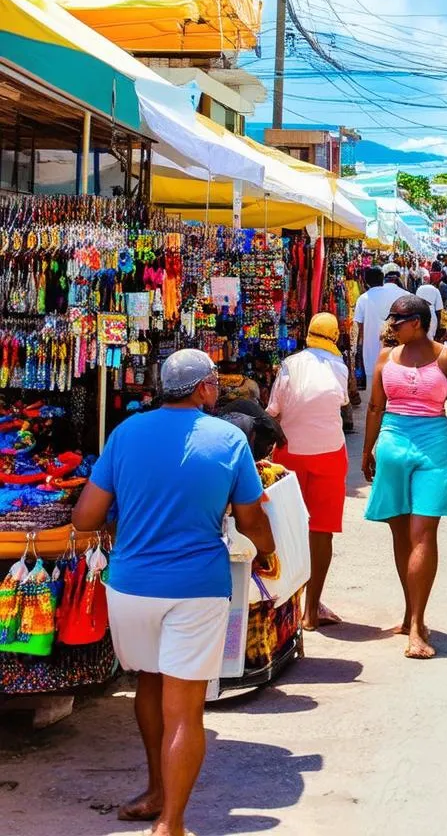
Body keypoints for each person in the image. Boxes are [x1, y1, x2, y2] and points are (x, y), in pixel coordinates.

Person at [72, 349, 274, 836]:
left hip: (132, 588)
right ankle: (171, 822)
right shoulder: (227, 439)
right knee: (184, 707)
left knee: (148, 682)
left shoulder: (126, 434)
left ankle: (156, 791)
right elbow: (252, 520)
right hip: (195, 587)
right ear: (204, 388)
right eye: (214, 384)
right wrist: (268, 549)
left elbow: (84, 518)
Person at [362, 295, 447, 659]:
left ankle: (413, 618)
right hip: (430, 445)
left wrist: (369, 449)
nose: (391, 325)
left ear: (418, 323)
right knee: (420, 535)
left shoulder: (386, 360)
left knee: (407, 537)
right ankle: (416, 621)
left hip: (397, 443)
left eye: (398, 320)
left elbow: (377, 408)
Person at [268, 313, 350, 632]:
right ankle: (312, 610)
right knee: (321, 530)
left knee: (288, 527)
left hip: (290, 452)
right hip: (329, 452)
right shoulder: (340, 368)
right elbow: (341, 401)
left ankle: (287, 605)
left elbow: (274, 409)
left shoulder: (290, 364)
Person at [354, 266, 405, 379]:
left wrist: (359, 348)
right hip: (393, 352)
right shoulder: (394, 295)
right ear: (382, 279)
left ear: (366, 282)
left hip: (371, 353)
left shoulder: (363, 299)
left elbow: (360, 328)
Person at [415, 267, 444, 340]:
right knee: (430, 339)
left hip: (420, 315)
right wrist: (438, 326)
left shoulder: (419, 289)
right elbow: (438, 310)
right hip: (432, 315)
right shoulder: (435, 290)